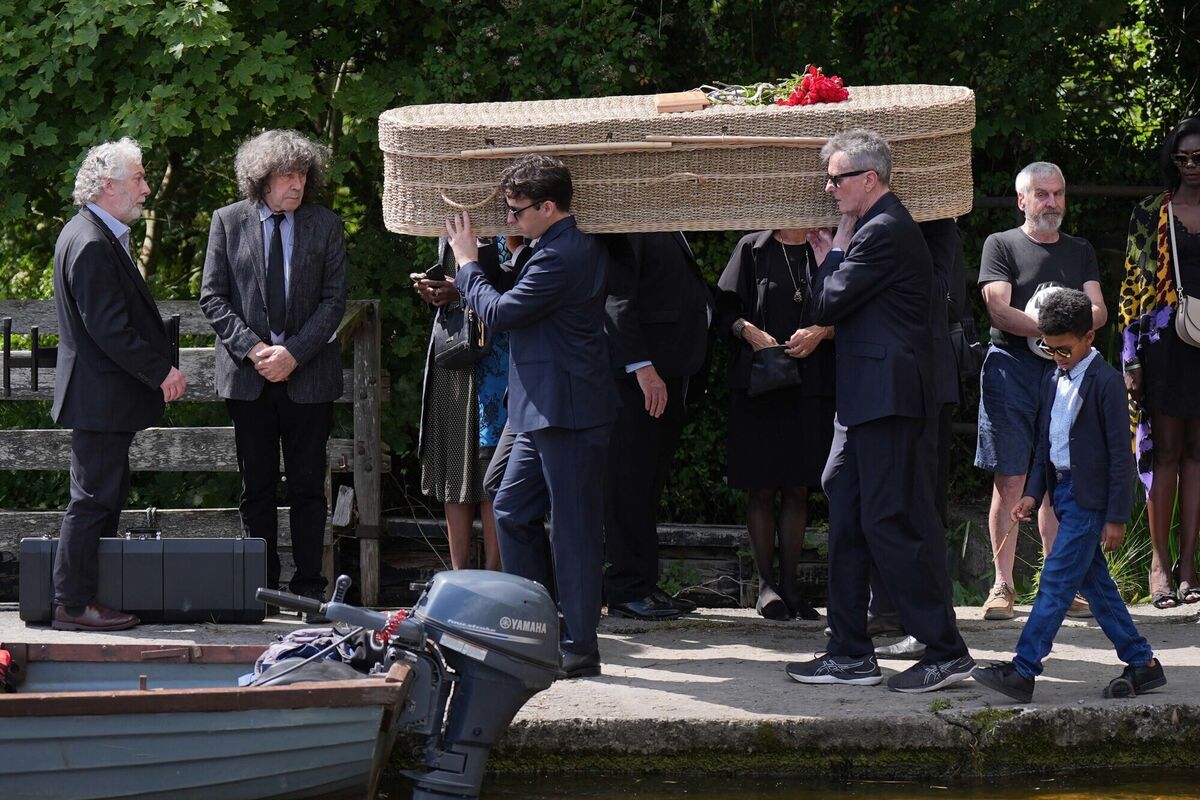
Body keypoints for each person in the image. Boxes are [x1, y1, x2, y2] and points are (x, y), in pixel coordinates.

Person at [786, 129, 973, 692]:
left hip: (889, 399)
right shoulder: (880, 226)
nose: (829, 188)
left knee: (889, 520)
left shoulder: (883, 232)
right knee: (846, 503)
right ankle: (849, 652)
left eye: (838, 179)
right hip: (870, 397)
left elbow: (823, 301)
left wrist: (833, 247)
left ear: (869, 179)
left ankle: (944, 649)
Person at [446, 154, 617, 680]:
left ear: (548, 206)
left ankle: (580, 644)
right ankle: (537, 626)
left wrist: (466, 263)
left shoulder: (563, 255)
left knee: (574, 529)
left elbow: (499, 313)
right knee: (512, 508)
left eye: (518, 210)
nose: (511, 219)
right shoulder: (547, 248)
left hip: (567, 410)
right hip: (538, 407)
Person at [973, 289, 1166, 702]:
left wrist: (1116, 516)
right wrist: (1031, 494)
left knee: (1056, 582)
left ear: (1088, 339)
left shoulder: (1107, 383)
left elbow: (1120, 454)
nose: (1055, 355)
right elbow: (1044, 446)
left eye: (1063, 348)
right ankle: (1142, 663)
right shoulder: (1051, 378)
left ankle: (1024, 669)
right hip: (1061, 491)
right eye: (1047, 347)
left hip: (1090, 500)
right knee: (1095, 585)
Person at [199, 129, 346, 603]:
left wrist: (293, 354)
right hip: (249, 380)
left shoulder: (326, 224)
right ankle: (259, 590)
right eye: (287, 175)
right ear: (260, 179)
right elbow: (213, 296)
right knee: (256, 488)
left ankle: (308, 592)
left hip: (309, 378)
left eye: (302, 174)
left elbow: (333, 301)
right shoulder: (227, 221)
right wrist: (254, 349)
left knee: (308, 489)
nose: (297, 184)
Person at [51, 137, 187, 631]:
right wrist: (161, 371)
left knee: (99, 496)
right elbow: (108, 329)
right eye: (139, 180)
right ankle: (72, 604)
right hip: (99, 398)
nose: (147, 189)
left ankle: (86, 598)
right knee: (91, 500)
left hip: (101, 397)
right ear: (109, 186)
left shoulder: (91, 234)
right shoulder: (89, 241)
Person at [976, 161, 1107, 621]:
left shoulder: (1080, 249)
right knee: (1011, 476)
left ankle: (1059, 585)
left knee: (1057, 477)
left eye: (1058, 194)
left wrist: (1059, 341)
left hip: (1064, 375)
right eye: (1042, 194)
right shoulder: (1002, 244)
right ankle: (1002, 586)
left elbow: (1098, 310)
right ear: (1022, 200)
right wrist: (1057, 331)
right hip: (1011, 370)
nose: (1052, 203)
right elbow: (999, 310)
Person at [717, 229, 833, 621]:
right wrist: (750, 333)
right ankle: (766, 587)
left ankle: (792, 586)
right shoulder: (752, 247)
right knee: (762, 488)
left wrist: (821, 333)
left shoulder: (826, 246)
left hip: (810, 382)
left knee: (799, 488)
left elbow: (850, 305)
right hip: (759, 383)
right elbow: (723, 310)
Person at [869, 218, 967, 660]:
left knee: (924, 506)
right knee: (880, 499)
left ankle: (932, 626)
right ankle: (894, 610)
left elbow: (939, 299)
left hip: (927, 383)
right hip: (887, 383)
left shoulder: (938, 228)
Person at [603, 232, 712, 620]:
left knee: (647, 486)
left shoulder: (669, 223)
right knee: (629, 485)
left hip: (668, 375)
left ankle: (643, 585)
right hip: (639, 381)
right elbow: (617, 300)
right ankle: (627, 588)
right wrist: (642, 367)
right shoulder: (635, 224)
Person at [1119, 117, 1200, 609]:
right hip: (1165, 343)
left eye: (1199, 158)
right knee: (1166, 451)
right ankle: (1159, 565)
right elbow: (1131, 287)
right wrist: (1131, 359)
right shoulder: (1152, 212)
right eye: (1182, 158)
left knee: (1198, 452)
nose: (1190, 166)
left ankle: (1190, 565)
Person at [414, 236, 514, 571]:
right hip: (454, 341)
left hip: (500, 344)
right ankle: (459, 579)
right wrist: (434, 291)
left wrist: (464, 290)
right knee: (455, 457)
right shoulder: (451, 210)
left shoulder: (516, 211)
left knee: (493, 464)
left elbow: (517, 277)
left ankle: (494, 577)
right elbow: (447, 274)